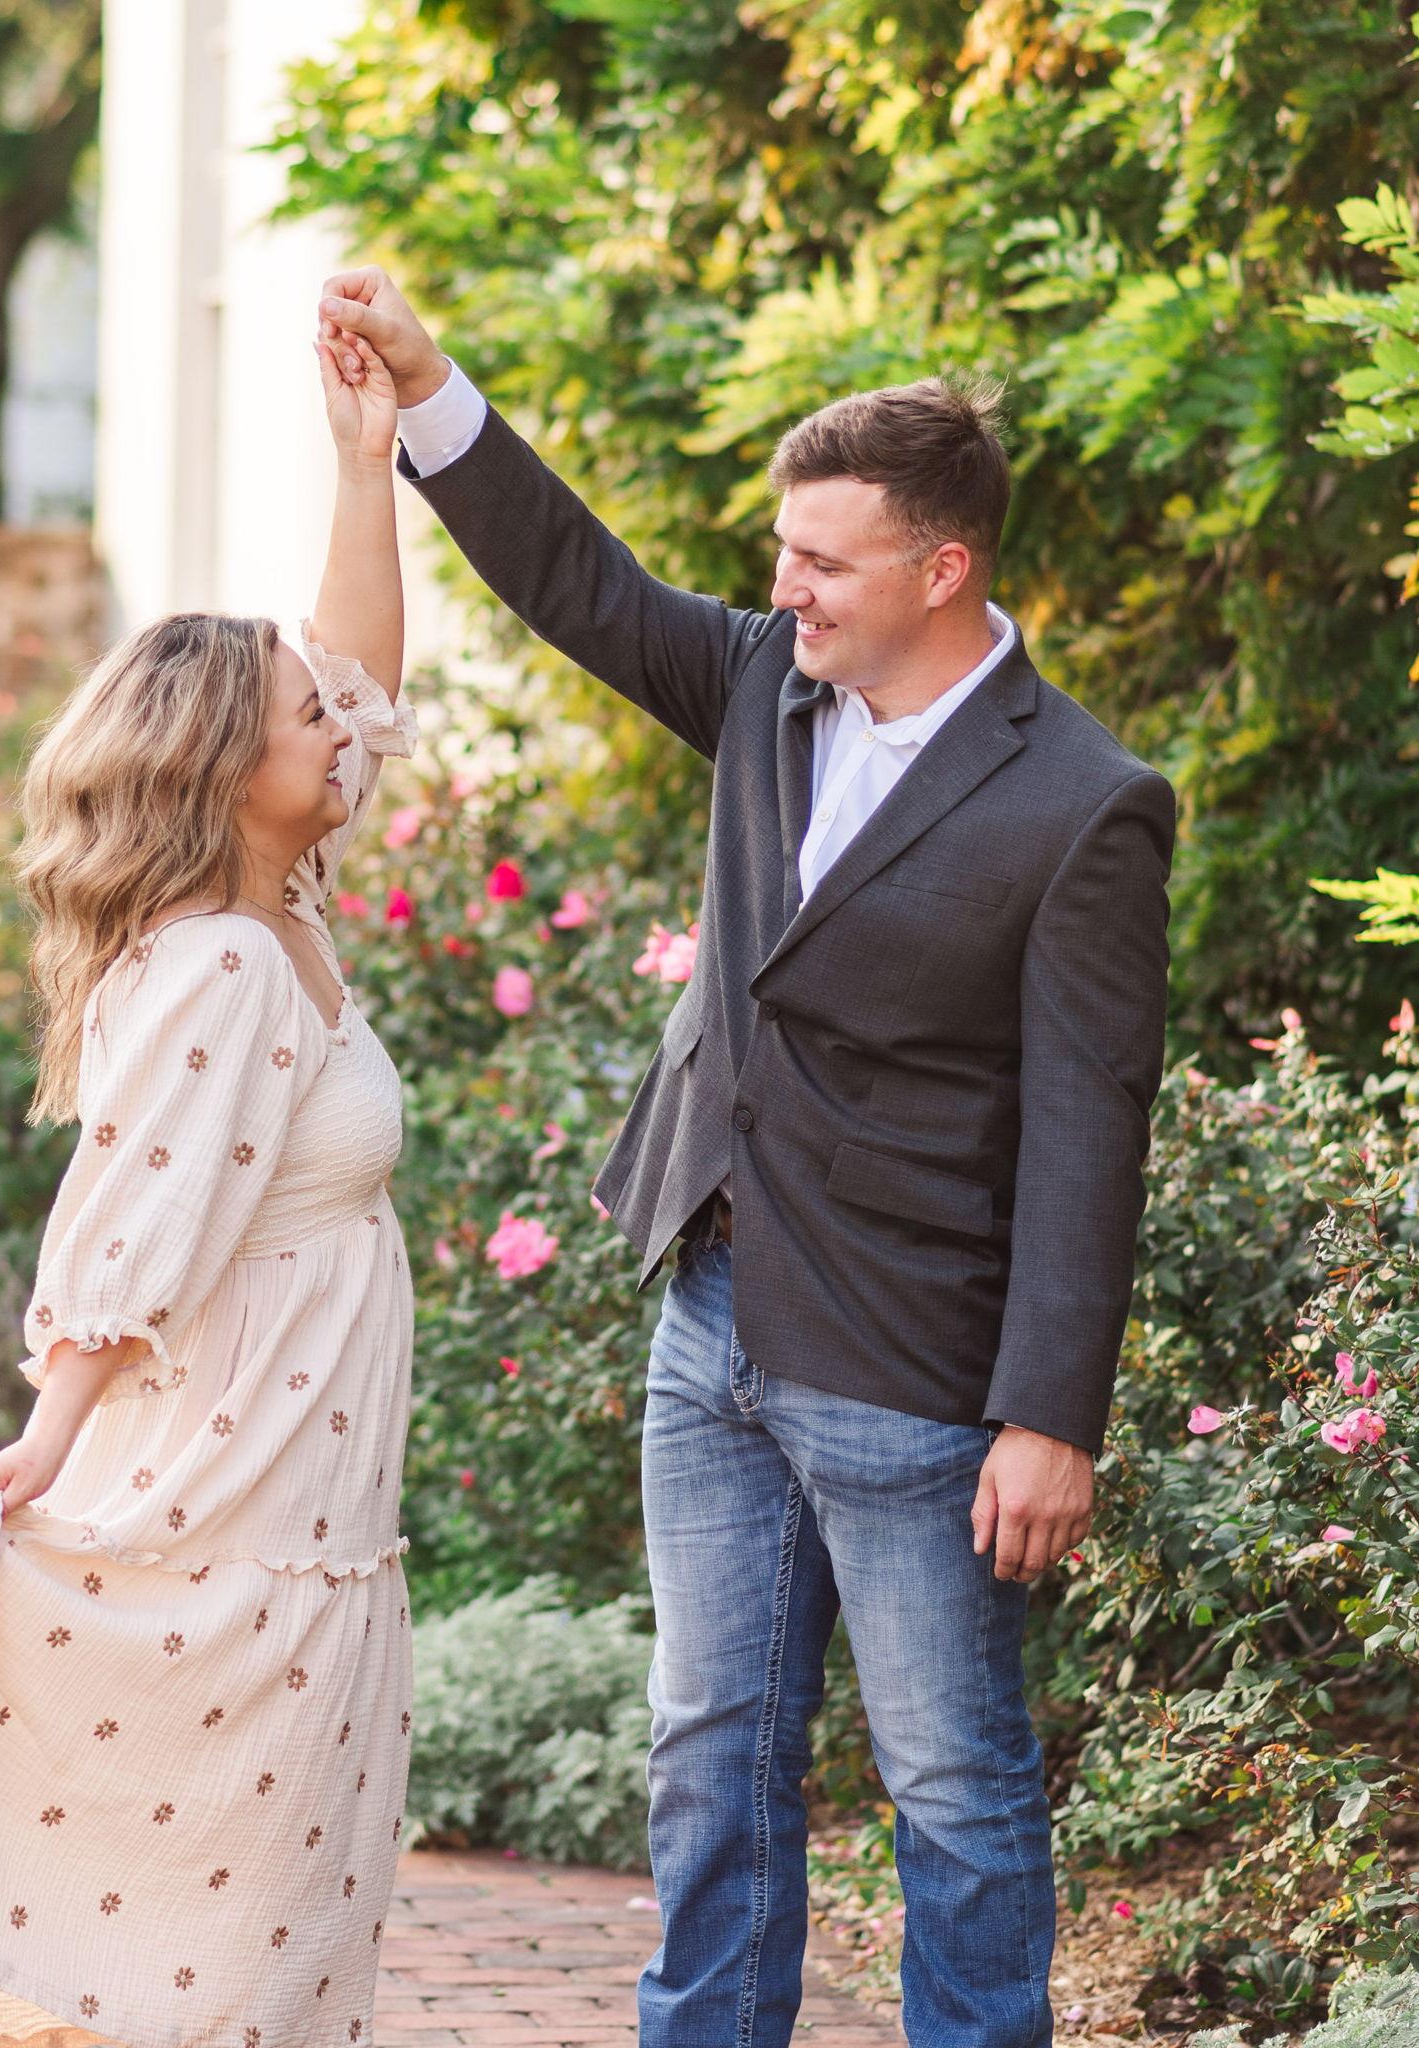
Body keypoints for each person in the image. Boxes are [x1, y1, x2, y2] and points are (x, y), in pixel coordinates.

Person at [316, 270, 1175, 2048]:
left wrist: (1050, 1415)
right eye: (781, 554)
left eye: (823, 563)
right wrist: (428, 389)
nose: (784, 590)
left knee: (953, 1785)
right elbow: (583, 585)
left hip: (917, 1363)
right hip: (712, 1317)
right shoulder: (770, 689)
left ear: (945, 572)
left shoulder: (1084, 801)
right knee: (709, 1756)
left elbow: (1095, 1123)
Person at [0, 330, 422, 2048]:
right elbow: (131, 1211)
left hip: (311, 1506)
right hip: (233, 1498)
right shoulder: (219, 964)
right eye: (299, 716)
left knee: (281, 1921)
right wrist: (52, 1432)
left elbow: (361, 673)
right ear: (222, 770)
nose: (337, 727)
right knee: (226, 1939)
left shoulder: (289, 902)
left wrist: (369, 469)